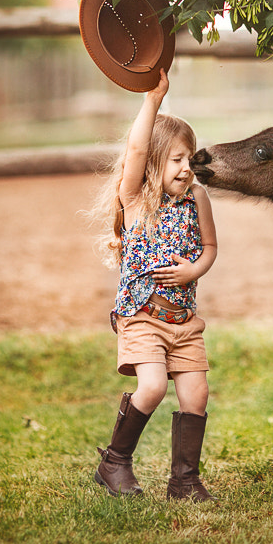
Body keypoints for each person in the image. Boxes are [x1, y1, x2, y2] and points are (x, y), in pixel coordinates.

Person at [90, 68, 218, 501]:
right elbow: (137, 148)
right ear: (153, 166)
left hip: (184, 321)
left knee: (196, 393)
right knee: (153, 386)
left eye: (190, 158)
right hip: (142, 316)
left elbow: (210, 248)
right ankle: (115, 462)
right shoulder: (137, 199)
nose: (185, 168)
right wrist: (152, 101)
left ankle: (184, 481)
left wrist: (192, 271)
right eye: (175, 159)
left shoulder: (197, 198)